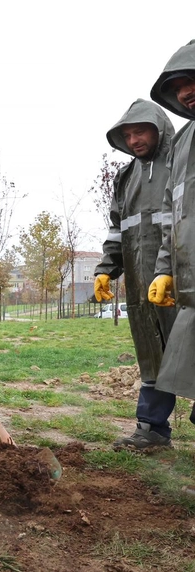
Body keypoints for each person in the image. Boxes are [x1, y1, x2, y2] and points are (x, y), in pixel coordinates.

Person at [94, 99, 177, 450]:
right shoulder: (126, 178)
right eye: (127, 135)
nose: (134, 140)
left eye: (140, 131)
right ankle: (152, 429)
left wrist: (170, 268)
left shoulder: (181, 162)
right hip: (142, 287)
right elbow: (118, 230)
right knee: (151, 354)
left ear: (158, 129)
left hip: (182, 282)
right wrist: (105, 269)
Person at [147, 40, 195, 424]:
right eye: (177, 86)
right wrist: (165, 268)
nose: (185, 92)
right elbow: (171, 217)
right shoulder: (182, 144)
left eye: (191, 79)